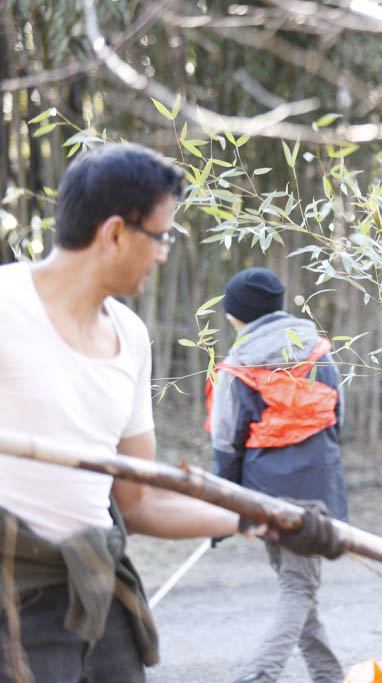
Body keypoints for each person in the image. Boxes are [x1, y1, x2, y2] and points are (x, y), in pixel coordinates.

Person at [0, 143, 344, 683]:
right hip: (16, 604)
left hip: (101, 594)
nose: (163, 254)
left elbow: (141, 502)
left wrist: (266, 518)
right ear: (114, 234)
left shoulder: (132, 337)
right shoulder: (5, 307)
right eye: (159, 237)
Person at [208, 267, 348, 683]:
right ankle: (328, 675)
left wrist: (226, 507)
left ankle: (259, 674)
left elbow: (225, 445)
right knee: (299, 584)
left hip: (264, 491)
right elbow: (337, 420)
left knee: (297, 586)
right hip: (318, 488)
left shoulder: (235, 369)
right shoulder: (319, 353)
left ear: (237, 316)